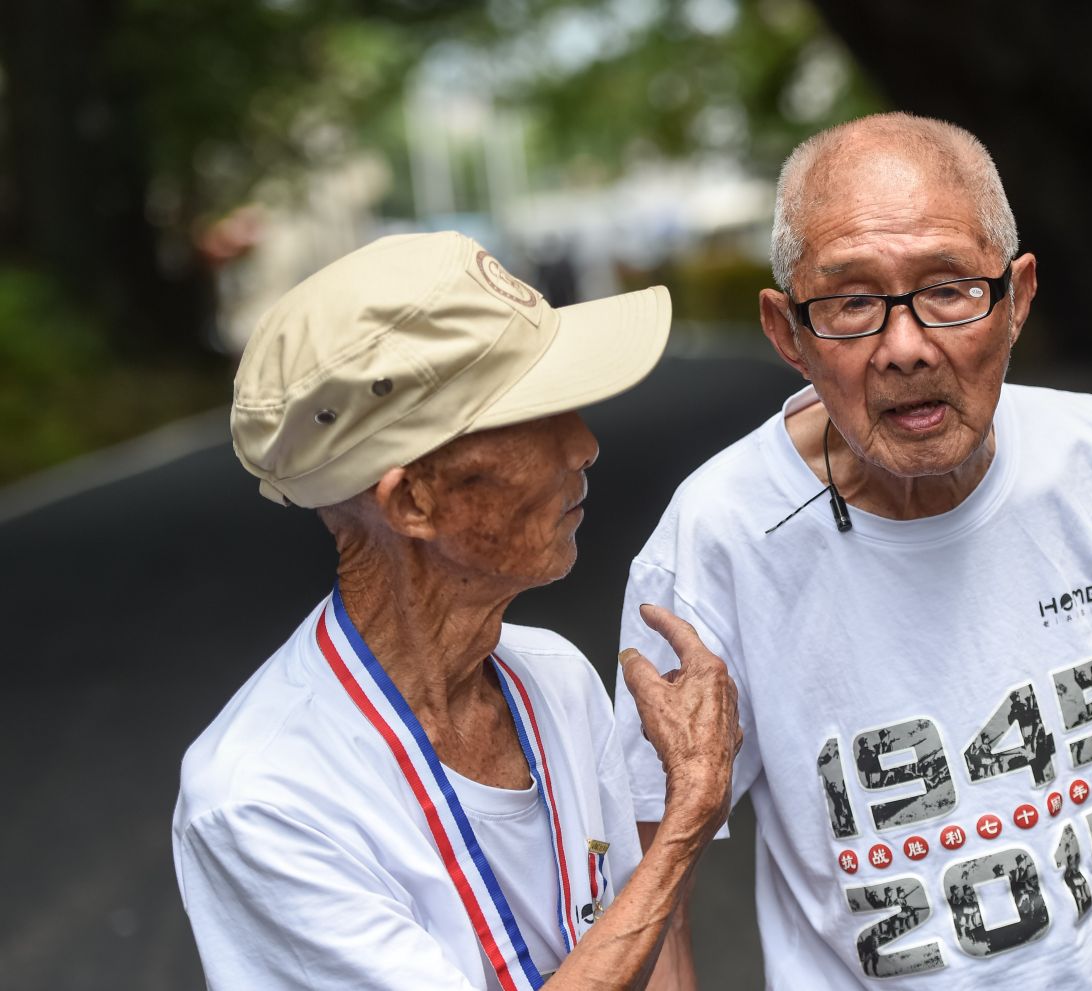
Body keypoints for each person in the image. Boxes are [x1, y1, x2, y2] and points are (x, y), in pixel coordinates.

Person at [612, 114, 1092, 988]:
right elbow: (658, 888)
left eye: (949, 289)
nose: (905, 347)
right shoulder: (711, 542)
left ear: (1018, 297)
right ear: (788, 333)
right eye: (852, 303)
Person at [172, 231, 742, 990]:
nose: (584, 444)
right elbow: (652, 893)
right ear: (412, 499)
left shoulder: (556, 680)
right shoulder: (261, 797)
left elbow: (642, 937)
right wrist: (684, 819)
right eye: (537, 418)